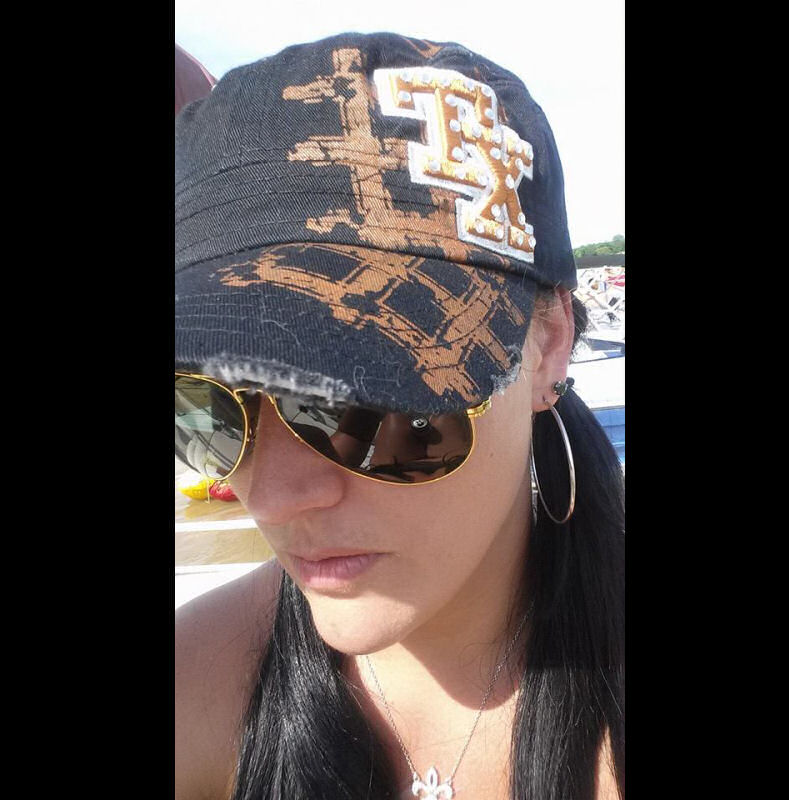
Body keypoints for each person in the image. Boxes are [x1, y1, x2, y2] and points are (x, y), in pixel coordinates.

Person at [175, 32, 624, 800]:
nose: (273, 498)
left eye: (358, 395)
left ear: (548, 344)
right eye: (203, 404)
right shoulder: (198, 682)